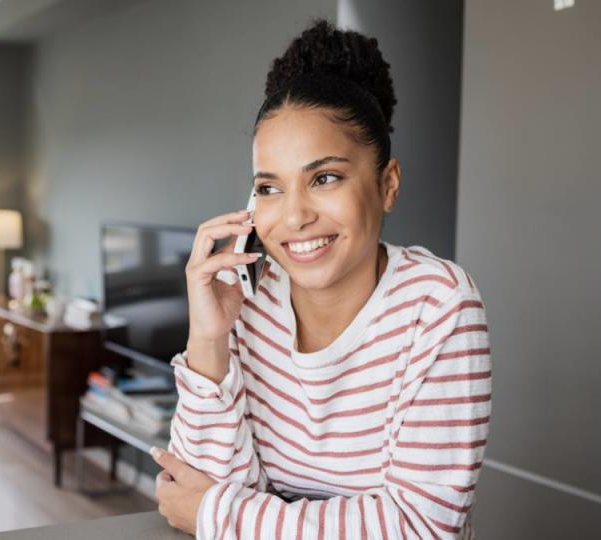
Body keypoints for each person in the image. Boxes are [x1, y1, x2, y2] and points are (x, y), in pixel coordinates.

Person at [151, 19, 491, 539]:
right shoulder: (250, 301)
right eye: (270, 188)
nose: (294, 217)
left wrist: (222, 515)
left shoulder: (438, 305)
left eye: (324, 178)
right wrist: (209, 341)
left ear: (388, 185)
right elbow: (196, 485)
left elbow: (417, 527)